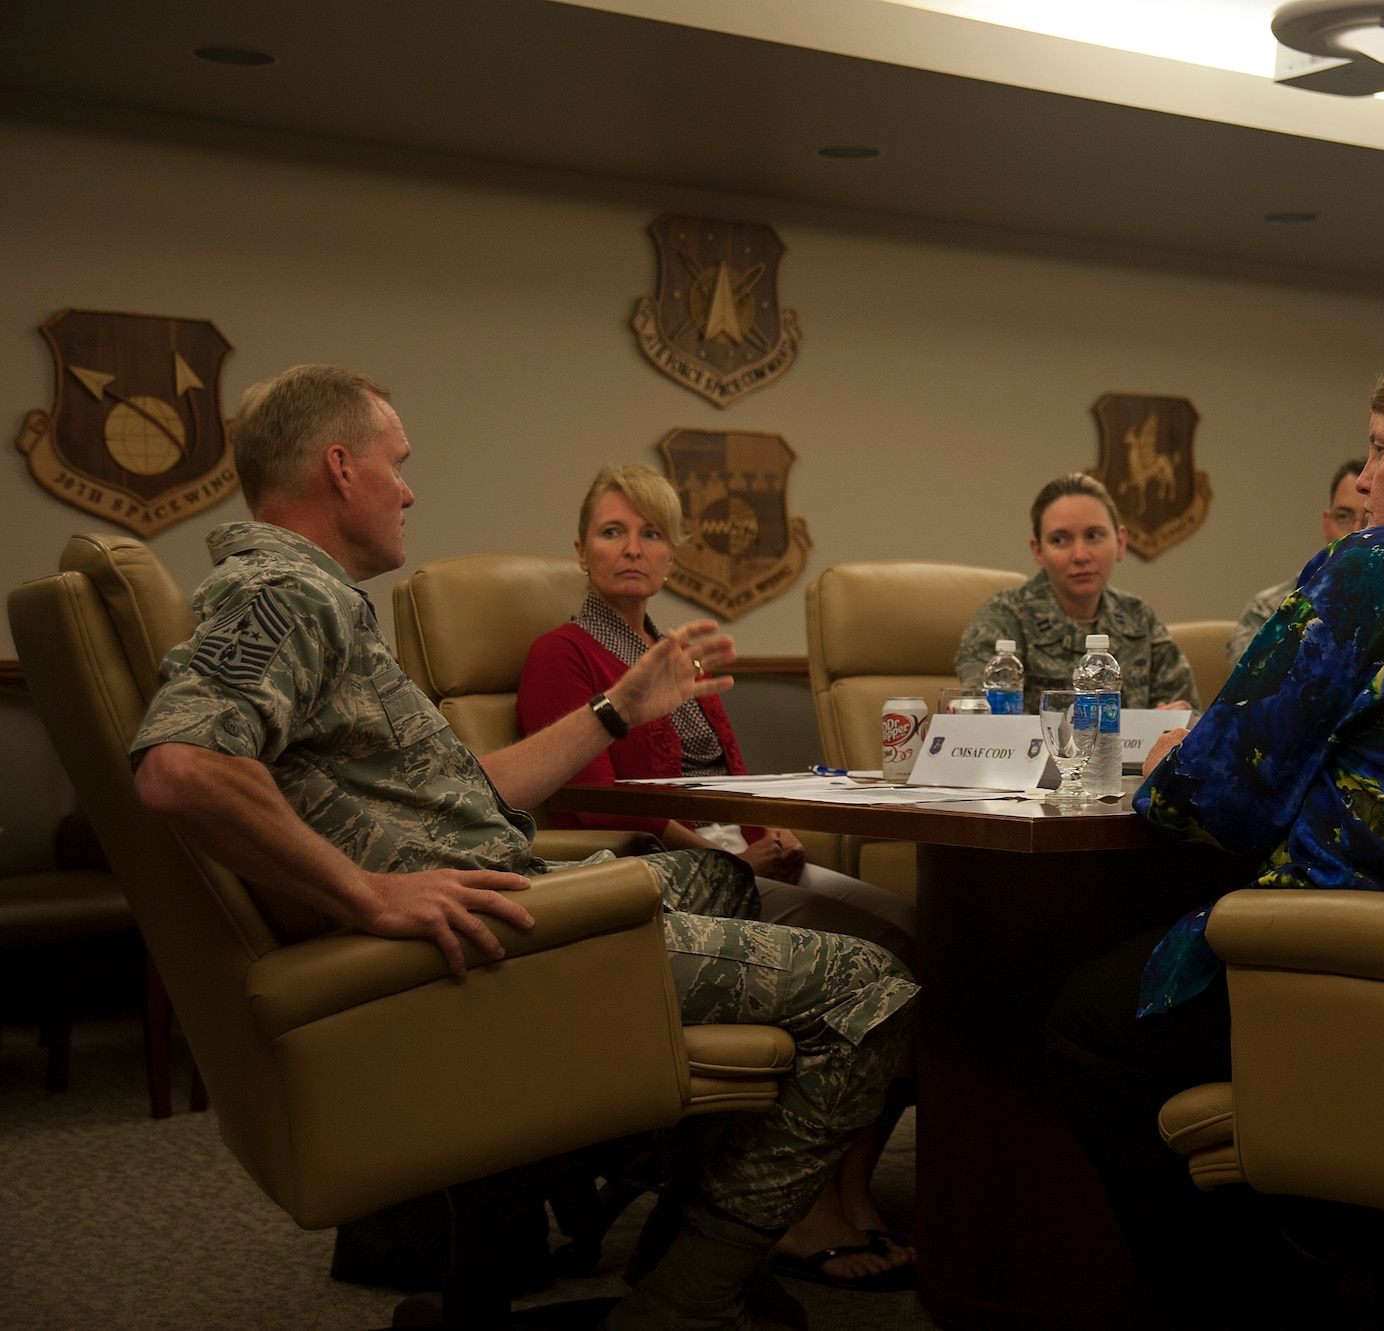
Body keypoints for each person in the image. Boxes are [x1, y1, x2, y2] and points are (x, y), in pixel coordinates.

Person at [129, 365, 914, 1331]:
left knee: (720, 871)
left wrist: (621, 706)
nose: (409, 489)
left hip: (509, 897)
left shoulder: (313, 596)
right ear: (340, 468)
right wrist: (369, 895)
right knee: (878, 991)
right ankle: (679, 1298)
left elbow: (469, 793)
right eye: (396, 464)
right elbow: (181, 766)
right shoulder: (283, 592)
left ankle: (678, 1216)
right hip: (501, 943)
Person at [1044, 345, 1384, 1328]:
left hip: (1357, 954)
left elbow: (1215, 800)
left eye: (1380, 449)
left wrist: (1171, 762)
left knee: (1085, 1020)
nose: (1363, 477)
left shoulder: (1374, 566)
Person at [518, 462, 917, 1288]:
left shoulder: (679, 654)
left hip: (740, 856)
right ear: (581, 549)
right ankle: (802, 1209)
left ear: (671, 556)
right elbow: (590, 802)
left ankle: (846, 1189)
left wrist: (774, 834)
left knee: (914, 927)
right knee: (891, 958)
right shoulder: (559, 653)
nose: (632, 548)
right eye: (613, 531)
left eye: (652, 533)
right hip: (660, 875)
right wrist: (724, 856)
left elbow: (727, 778)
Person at [955, 472, 1200, 713]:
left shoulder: (1138, 617)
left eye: (1094, 536)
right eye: (1060, 540)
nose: (1081, 556)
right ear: (1038, 551)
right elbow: (982, 723)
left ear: (1121, 542)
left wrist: (1166, 722)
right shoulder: (1002, 619)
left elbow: (1185, 716)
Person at [1224, 457, 1365, 671]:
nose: (1355, 532)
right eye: (1343, 517)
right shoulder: (1270, 609)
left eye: (1368, 519)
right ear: (1326, 524)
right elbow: (1255, 693)